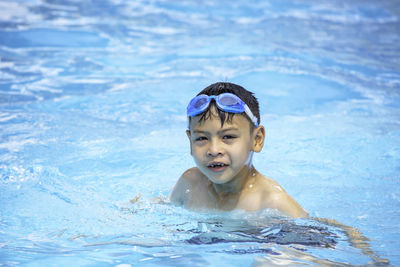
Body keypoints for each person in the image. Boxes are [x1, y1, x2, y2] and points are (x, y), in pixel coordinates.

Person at [169, 82, 308, 218]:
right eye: (201, 138)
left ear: (257, 139)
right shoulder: (190, 183)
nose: (214, 150)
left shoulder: (273, 203)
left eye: (228, 136)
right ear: (190, 142)